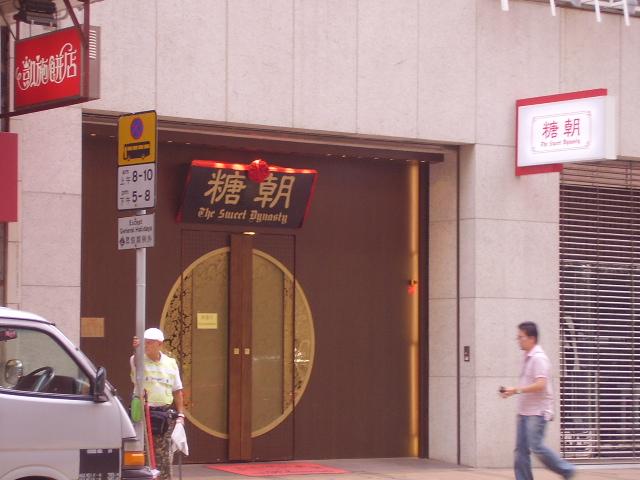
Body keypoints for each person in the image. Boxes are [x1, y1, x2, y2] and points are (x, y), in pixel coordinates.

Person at [500, 321, 575, 480]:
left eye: (521, 337)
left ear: (532, 338)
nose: (518, 340)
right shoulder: (527, 357)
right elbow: (528, 384)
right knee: (521, 451)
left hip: (537, 412)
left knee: (537, 447)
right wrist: (511, 392)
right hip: (524, 412)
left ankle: (566, 469)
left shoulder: (539, 358)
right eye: (518, 337)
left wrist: (516, 390)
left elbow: (541, 384)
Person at [131, 327, 185, 480]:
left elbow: (177, 391)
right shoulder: (138, 360)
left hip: (163, 414)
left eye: (150, 342)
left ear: (160, 344)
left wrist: (181, 415)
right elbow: (135, 361)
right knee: (142, 453)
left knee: (164, 456)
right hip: (143, 413)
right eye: (145, 342)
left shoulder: (171, 363)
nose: (146, 345)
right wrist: (137, 349)